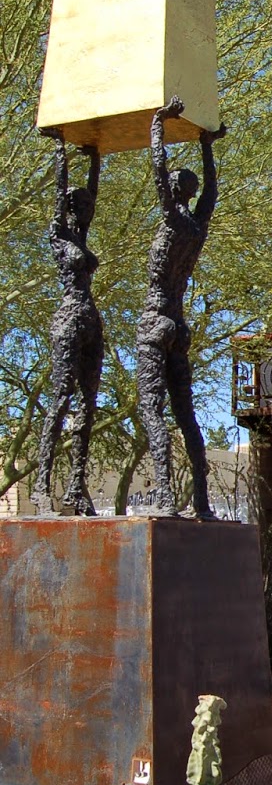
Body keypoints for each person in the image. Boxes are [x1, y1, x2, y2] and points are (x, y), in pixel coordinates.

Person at [136, 96, 225, 518]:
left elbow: (158, 167)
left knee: (151, 409)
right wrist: (207, 146)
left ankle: (166, 497)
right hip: (179, 324)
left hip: (156, 320)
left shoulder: (172, 219)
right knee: (186, 415)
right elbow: (212, 192)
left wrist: (158, 123)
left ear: (174, 192)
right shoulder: (196, 226)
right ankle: (202, 502)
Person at [32, 131, 103, 516]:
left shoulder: (83, 235)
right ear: (70, 207)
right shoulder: (59, 234)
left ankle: (77, 485)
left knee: (89, 404)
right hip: (68, 318)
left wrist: (95, 155)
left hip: (90, 319)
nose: (89, 207)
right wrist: (60, 148)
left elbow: (93, 189)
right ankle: (41, 486)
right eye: (82, 203)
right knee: (61, 400)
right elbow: (61, 190)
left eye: (90, 203)